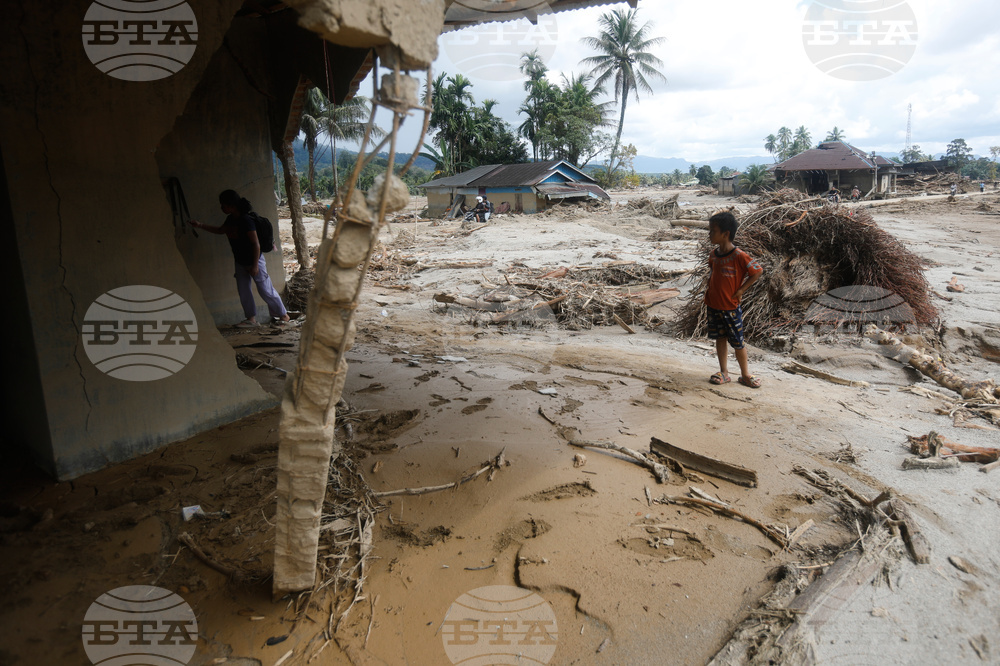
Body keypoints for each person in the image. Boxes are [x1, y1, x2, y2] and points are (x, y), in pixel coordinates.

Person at [190, 190, 290, 328]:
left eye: (223, 205)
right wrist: (200, 225)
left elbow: (256, 244)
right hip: (240, 261)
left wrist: (255, 265)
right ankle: (251, 319)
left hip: (254, 260)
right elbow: (220, 230)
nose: (221, 208)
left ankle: (284, 316)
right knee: (244, 290)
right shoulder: (231, 219)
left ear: (231, 205)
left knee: (265, 289)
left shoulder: (246, 221)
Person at [705, 211, 764, 388]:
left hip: (730, 306)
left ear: (725, 234)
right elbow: (712, 274)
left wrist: (741, 290)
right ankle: (724, 372)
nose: (709, 234)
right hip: (713, 305)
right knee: (720, 338)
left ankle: (745, 374)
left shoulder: (739, 255)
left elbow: (757, 271)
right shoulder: (714, 255)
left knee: (738, 341)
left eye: (712, 231)